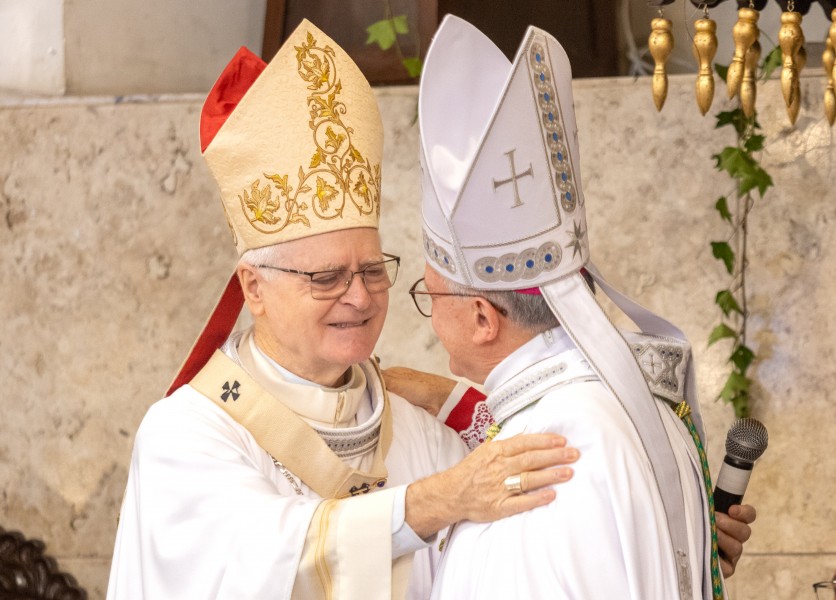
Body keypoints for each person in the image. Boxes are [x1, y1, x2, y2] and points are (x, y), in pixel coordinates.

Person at [106, 20, 579, 600]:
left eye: (373, 270)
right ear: (254, 288)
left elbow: (532, 516)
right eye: (327, 278)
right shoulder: (188, 432)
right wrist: (433, 502)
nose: (359, 297)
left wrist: (454, 401)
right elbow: (266, 557)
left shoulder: (413, 426)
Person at [398, 14, 752, 599]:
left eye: (429, 294)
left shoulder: (540, 461)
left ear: (483, 318)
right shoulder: (627, 401)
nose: (431, 317)